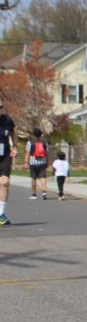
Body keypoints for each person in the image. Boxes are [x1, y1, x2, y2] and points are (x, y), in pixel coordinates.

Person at [0, 97, 15, 226]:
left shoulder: (7, 120)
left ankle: (1, 214)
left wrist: (13, 147)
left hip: (4, 155)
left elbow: (13, 134)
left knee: (5, 182)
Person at [25, 127, 49, 200]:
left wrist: (26, 162)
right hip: (42, 162)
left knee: (34, 178)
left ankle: (34, 194)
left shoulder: (30, 142)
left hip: (33, 163)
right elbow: (47, 153)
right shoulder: (45, 142)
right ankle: (44, 193)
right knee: (43, 177)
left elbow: (27, 153)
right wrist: (47, 161)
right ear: (40, 134)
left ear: (33, 134)